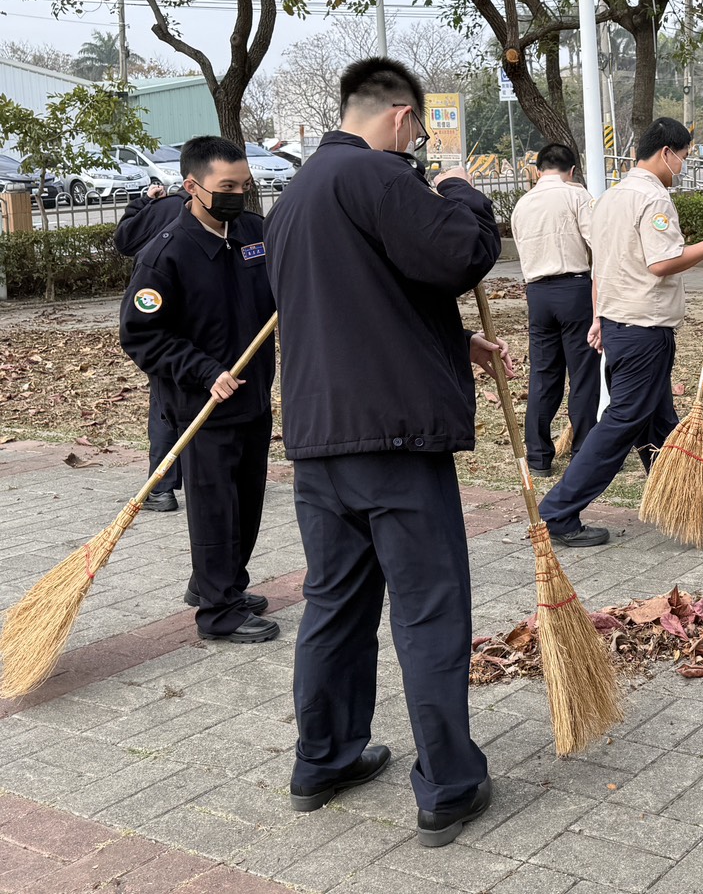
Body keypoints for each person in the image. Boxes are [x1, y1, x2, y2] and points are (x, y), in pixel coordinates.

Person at [265, 57, 509, 848]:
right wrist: (460, 192)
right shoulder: (379, 177)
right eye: (420, 130)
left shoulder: (293, 196)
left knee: (334, 604)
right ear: (402, 116)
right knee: (430, 608)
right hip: (394, 442)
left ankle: (323, 758)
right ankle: (448, 782)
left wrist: (454, 338)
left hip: (318, 437)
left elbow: (358, 300)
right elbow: (459, 256)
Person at [537, 118, 703, 548]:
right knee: (622, 423)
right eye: (683, 158)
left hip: (619, 324)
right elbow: (661, 262)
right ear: (666, 153)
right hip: (645, 329)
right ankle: (558, 511)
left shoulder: (608, 198)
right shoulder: (654, 199)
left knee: (658, 421)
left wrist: (598, 317)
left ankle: (690, 495)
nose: (683, 167)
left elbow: (601, 268)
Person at [119, 137, 277, 643]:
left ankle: (221, 583)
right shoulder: (167, 253)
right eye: (226, 187)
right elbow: (142, 335)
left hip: (252, 395)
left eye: (244, 186)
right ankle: (218, 613)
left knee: (247, 502)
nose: (237, 195)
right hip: (202, 404)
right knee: (214, 508)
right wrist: (205, 371)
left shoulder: (255, 232)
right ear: (193, 187)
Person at [510, 142, 598, 476]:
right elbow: (597, 242)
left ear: (537, 169)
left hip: (537, 292)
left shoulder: (522, 204)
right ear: (572, 170)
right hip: (574, 289)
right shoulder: (577, 197)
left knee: (543, 375)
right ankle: (584, 451)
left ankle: (538, 456)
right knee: (583, 374)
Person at [114, 183, 189, 513]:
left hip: (165, 319)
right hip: (209, 322)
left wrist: (143, 202)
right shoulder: (231, 216)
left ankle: (161, 487)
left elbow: (124, 239)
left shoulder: (164, 207)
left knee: (165, 402)